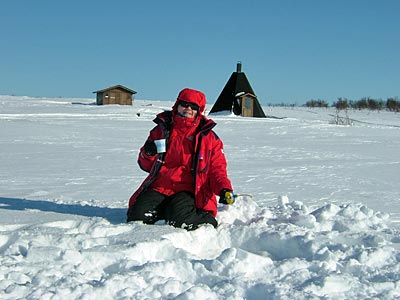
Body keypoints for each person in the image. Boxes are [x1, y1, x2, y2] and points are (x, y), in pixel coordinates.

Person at [127, 88, 234, 230]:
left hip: (189, 190)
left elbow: (217, 170)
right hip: (160, 186)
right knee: (137, 215)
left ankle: (205, 221)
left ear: (199, 110)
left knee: (181, 220)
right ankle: (167, 210)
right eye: (184, 104)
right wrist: (148, 153)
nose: (188, 109)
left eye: (193, 106)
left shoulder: (209, 138)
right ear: (177, 105)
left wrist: (224, 189)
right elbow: (145, 165)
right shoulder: (161, 130)